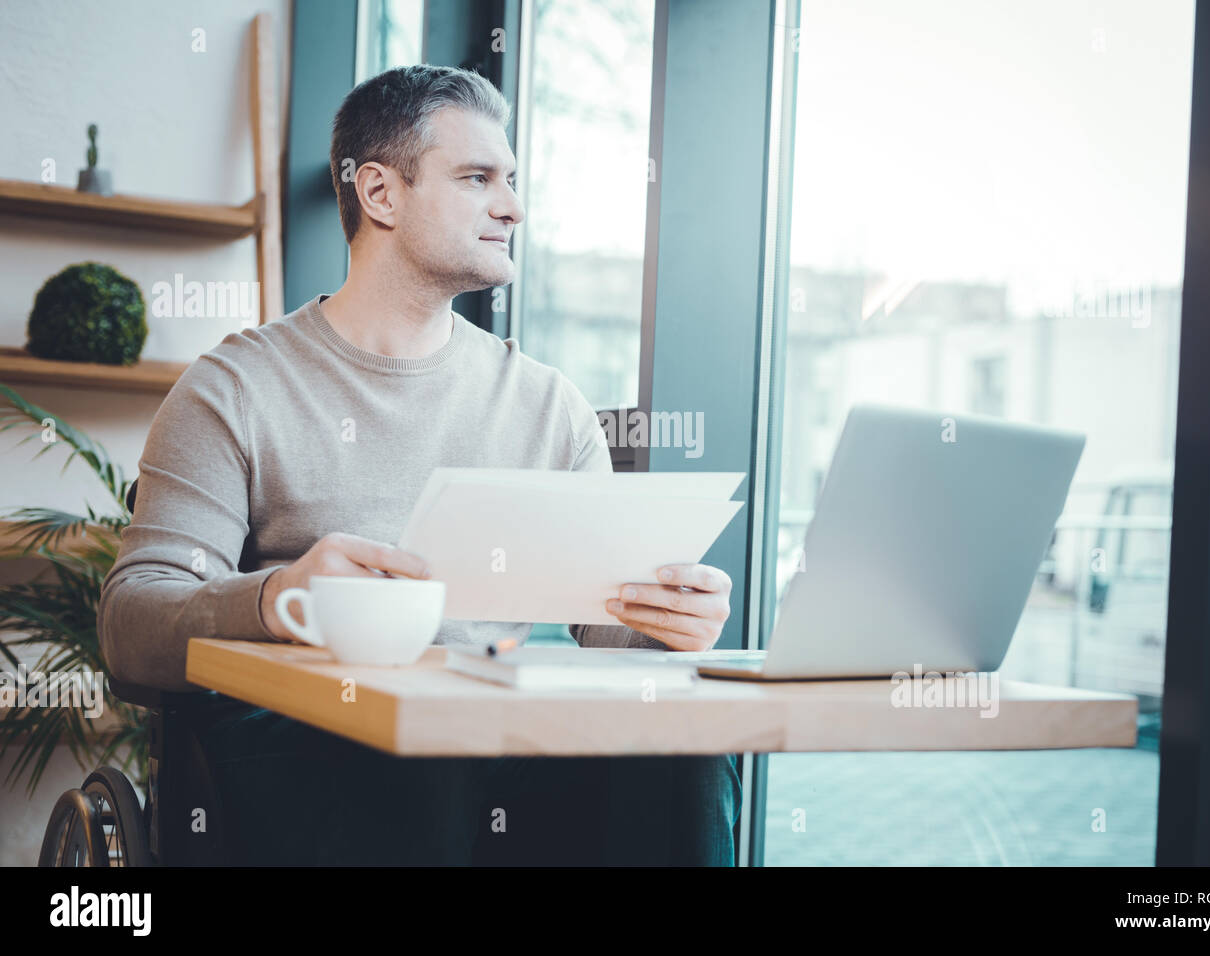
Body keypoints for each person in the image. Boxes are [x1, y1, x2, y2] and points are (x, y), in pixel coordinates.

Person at [98, 64, 741, 866]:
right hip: (311, 749)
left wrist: (665, 621)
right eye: (478, 179)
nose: (513, 207)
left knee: (679, 749)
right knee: (417, 763)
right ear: (381, 194)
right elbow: (130, 627)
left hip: (495, 748)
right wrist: (278, 597)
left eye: (511, 181)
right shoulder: (234, 388)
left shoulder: (547, 405)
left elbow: (603, 625)